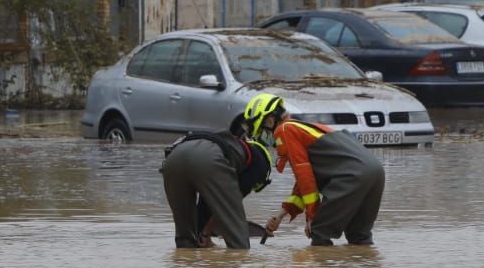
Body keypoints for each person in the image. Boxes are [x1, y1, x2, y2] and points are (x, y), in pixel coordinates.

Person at [243, 92, 384, 246]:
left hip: (353, 176)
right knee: (359, 237)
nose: (264, 140)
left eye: (261, 134)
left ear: (270, 121)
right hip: (376, 173)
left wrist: (312, 216)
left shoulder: (284, 130)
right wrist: (280, 216)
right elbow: (303, 186)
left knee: (319, 233)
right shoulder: (303, 128)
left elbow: (305, 177)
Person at [160, 120, 271, 249]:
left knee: (186, 239)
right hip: (209, 160)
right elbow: (227, 207)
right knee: (238, 245)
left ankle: (185, 264)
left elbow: (207, 206)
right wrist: (206, 233)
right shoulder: (259, 163)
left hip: (173, 159)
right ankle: (237, 263)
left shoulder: (231, 146)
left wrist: (201, 232)